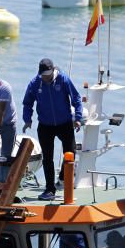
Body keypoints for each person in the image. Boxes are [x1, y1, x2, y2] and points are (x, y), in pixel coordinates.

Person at [22, 58, 83, 201]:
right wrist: (27, 119)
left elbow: (76, 98)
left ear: (52, 70)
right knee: (47, 158)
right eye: (43, 75)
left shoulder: (63, 80)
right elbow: (27, 102)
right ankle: (50, 189)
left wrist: (78, 118)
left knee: (71, 152)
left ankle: (62, 178)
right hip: (45, 125)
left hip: (65, 123)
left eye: (47, 75)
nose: (45, 77)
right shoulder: (35, 82)